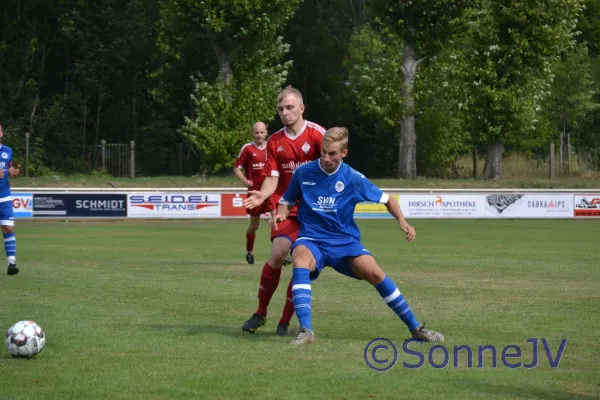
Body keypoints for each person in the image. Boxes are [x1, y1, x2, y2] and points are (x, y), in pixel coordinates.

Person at [271, 127, 445, 345]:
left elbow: (388, 200)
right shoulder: (304, 173)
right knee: (300, 258)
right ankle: (306, 330)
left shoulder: (353, 178)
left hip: (345, 241)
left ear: (344, 153)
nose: (325, 158)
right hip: (313, 239)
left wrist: (403, 222)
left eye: (332, 153)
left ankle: (416, 328)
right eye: (323, 152)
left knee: (375, 273)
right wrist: (281, 214)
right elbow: (286, 202)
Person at [242, 86, 326, 336]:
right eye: (280, 109)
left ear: (302, 108)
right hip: (286, 209)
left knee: (302, 262)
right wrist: (263, 194)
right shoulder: (274, 141)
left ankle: (285, 320)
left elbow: (334, 168)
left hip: (315, 213)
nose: (284, 112)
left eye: (289, 107)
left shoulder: (317, 136)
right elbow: (273, 178)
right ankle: (260, 313)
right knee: (278, 253)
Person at [233, 122, 271, 265]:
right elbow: (237, 168)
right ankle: (249, 251)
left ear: (266, 132)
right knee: (254, 226)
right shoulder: (247, 149)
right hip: (254, 194)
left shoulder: (272, 147)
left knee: (276, 221)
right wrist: (245, 180)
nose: (259, 135)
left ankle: (282, 253)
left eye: (262, 132)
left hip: (269, 192)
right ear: (252, 133)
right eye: (256, 132)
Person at [0, 124, 21, 275]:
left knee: (8, 228)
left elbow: (7, 167)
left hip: (4, 196)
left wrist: (11, 171)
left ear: (1, 134)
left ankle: (11, 264)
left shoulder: (8, 151)